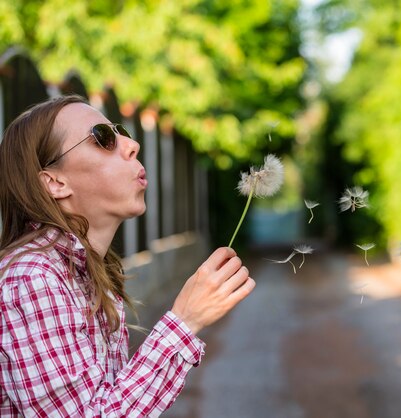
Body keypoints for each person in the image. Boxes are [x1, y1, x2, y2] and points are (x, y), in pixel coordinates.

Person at [0, 94, 256, 417]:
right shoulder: (31, 278)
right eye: (103, 138)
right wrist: (185, 320)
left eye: (120, 131)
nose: (131, 144)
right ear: (54, 182)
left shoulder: (83, 274)